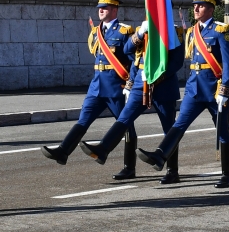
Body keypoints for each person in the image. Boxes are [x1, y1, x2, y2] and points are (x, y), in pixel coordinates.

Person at [138, 0, 229, 188]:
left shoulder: (220, 31)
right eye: (195, 6)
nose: (196, 9)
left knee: (222, 131)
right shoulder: (191, 32)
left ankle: (228, 175)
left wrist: (225, 89)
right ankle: (160, 156)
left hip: (214, 89)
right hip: (194, 88)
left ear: (211, 8)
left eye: (201, 6)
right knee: (179, 124)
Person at [78, 21, 185, 183]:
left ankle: (172, 170)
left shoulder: (173, 30)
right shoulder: (144, 28)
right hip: (140, 84)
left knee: (168, 129)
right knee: (124, 118)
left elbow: (176, 62)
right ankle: (103, 148)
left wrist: (156, 77)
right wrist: (141, 33)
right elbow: (129, 50)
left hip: (163, 86)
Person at [41, 0, 135, 165]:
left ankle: (129, 167)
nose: (101, 10)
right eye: (99, 7)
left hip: (116, 87)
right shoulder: (96, 32)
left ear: (114, 9)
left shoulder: (124, 32)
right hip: (97, 86)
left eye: (105, 7)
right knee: (83, 120)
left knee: (126, 127)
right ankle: (63, 151)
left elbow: (134, 61)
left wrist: (131, 84)